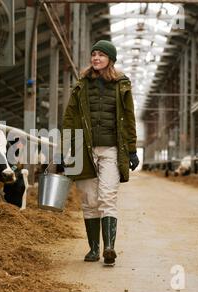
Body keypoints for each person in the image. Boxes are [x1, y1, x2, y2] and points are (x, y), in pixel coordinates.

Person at [62, 40, 139, 266]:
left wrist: (132, 150)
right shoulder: (81, 85)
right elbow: (69, 117)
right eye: (94, 54)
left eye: (101, 55)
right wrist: (64, 149)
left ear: (110, 60)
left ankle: (109, 248)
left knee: (107, 196)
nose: (96, 58)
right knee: (89, 200)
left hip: (112, 149)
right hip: (83, 149)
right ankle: (93, 249)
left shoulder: (121, 85)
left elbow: (129, 119)